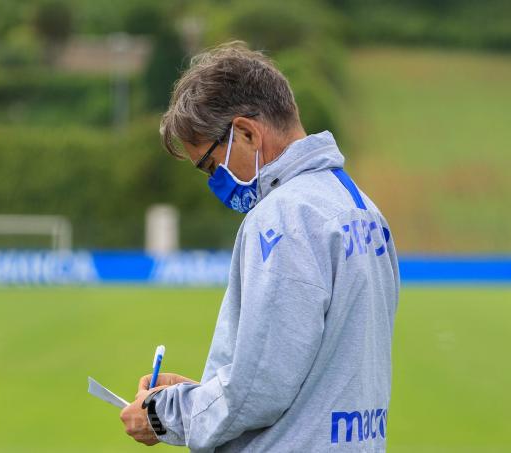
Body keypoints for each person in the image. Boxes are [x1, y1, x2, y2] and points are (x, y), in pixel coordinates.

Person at [120, 41, 399, 452]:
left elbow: (259, 388)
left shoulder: (284, 217)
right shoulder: (361, 207)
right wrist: (204, 392)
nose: (216, 182)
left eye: (211, 166)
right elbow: (301, 373)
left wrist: (165, 414)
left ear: (246, 133)